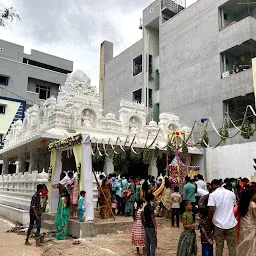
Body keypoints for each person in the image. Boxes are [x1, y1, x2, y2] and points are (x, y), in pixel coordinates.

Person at [208, 179, 237, 256]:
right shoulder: (231, 194)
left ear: (214, 185)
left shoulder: (213, 195)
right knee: (232, 247)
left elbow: (211, 209)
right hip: (231, 224)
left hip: (218, 225)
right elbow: (233, 206)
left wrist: (210, 221)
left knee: (219, 247)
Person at [236, 187, 256, 256]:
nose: (255, 196)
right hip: (251, 225)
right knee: (252, 243)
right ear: (251, 195)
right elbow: (255, 216)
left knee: (244, 241)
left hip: (243, 224)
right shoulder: (252, 204)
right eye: (254, 194)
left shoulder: (242, 203)